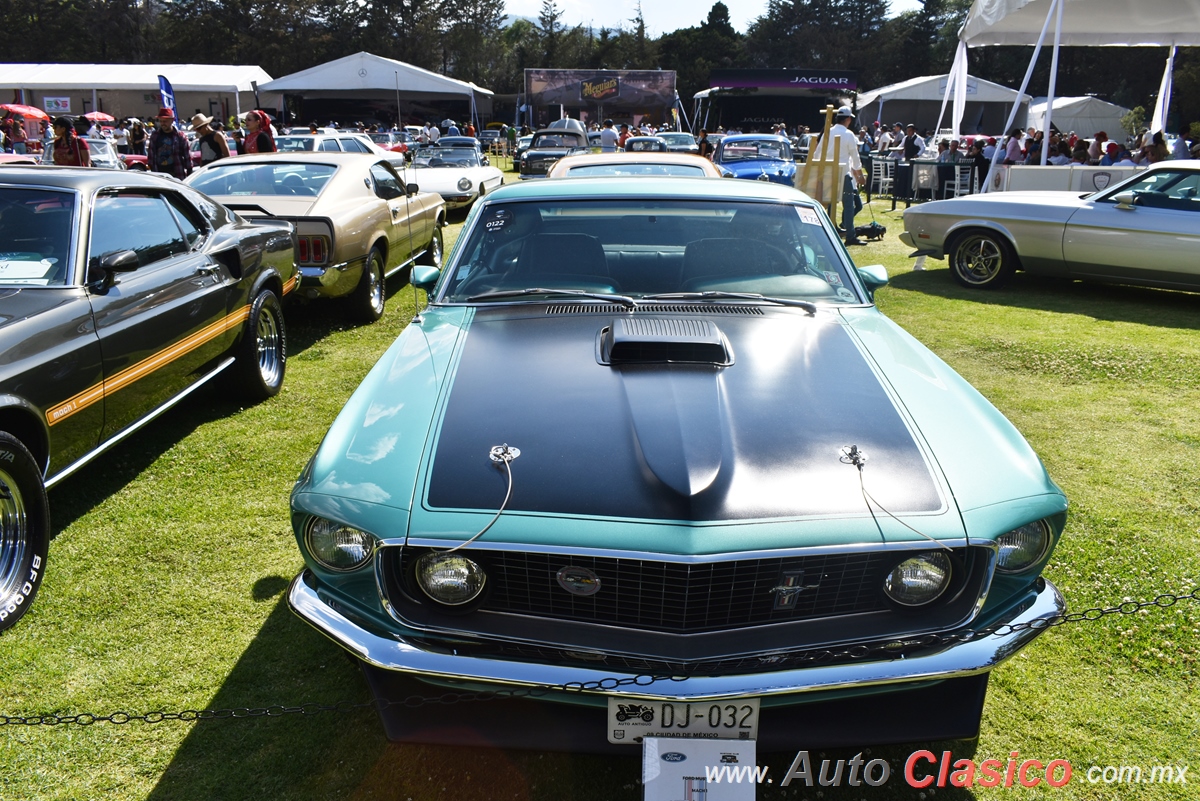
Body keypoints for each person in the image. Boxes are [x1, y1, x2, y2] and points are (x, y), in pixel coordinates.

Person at [810, 106, 865, 246]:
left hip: (827, 172)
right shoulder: (849, 134)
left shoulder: (827, 132)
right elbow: (855, 155)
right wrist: (859, 174)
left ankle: (830, 229)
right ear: (847, 119)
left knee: (828, 202)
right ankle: (850, 235)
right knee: (848, 204)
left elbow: (817, 153)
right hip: (843, 172)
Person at [147, 107, 192, 179]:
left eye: (165, 121)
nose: (162, 123)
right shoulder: (155, 136)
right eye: (161, 121)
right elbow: (151, 157)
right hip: (159, 175)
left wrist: (189, 173)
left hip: (177, 175)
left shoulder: (180, 136)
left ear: (172, 120)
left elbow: (187, 157)